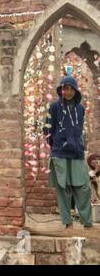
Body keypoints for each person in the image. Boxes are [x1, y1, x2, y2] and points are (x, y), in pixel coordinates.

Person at [45, 76, 93, 229]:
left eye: (71, 89)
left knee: (84, 187)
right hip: (60, 153)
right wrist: (57, 144)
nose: (68, 92)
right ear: (61, 90)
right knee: (63, 188)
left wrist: (76, 144)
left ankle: (87, 222)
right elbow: (47, 130)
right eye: (65, 89)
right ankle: (68, 223)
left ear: (75, 90)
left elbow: (78, 130)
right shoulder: (54, 107)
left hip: (77, 153)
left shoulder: (81, 109)